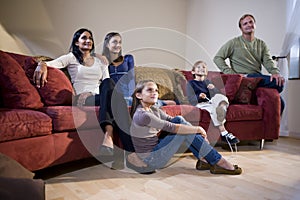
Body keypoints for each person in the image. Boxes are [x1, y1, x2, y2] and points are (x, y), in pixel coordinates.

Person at [33, 28, 146, 169]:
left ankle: (108, 137)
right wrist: (41, 64)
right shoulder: (70, 57)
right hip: (82, 98)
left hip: (99, 97)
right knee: (118, 100)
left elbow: (107, 83)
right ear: (76, 42)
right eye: (84, 38)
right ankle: (131, 154)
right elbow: (51, 63)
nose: (88, 41)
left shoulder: (101, 61)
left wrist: (95, 93)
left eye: (90, 38)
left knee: (110, 86)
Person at [129, 79, 242, 175]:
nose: (154, 93)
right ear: (139, 95)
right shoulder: (143, 115)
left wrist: (194, 130)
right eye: (149, 90)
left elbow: (174, 120)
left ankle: (204, 159)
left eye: (156, 91)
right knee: (183, 131)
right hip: (152, 158)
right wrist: (198, 129)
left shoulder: (153, 109)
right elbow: (171, 127)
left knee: (180, 120)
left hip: (157, 149)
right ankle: (218, 161)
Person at [213, 14, 285, 114]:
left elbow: (268, 61)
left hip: (256, 78)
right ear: (241, 28)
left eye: (251, 22)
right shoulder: (234, 43)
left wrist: (275, 73)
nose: (248, 25)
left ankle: (271, 130)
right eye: (245, 23)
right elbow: (217, 58)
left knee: (280, 101)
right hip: (242, 78)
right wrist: (232, 74)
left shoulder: (261, 44)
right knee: (278, 85)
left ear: (254, 25)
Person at [101, 32, 176, 107]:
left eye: (120, 42)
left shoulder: (128, 58)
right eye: (115, 42)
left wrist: (131, 96)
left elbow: (131, 79)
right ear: (107, 44)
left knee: (129, 101)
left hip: (126, 94)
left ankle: (160, 102)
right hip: (113, 95)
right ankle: (158, 102)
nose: (118, 45)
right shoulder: (103, 61)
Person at [186, 60, 240, 145]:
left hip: (212, 101)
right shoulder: (191, 83)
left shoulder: (208, 82)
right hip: (201, 103)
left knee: (221, 97)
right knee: (213, 109)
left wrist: (213, 89)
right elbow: (190, 99)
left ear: (207, 72)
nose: (202, 69)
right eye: (199, 67)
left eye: (204, 67)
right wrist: (199, 96)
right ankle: (224, 133)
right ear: (193, 71)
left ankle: (221, 107)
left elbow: (217, 95)